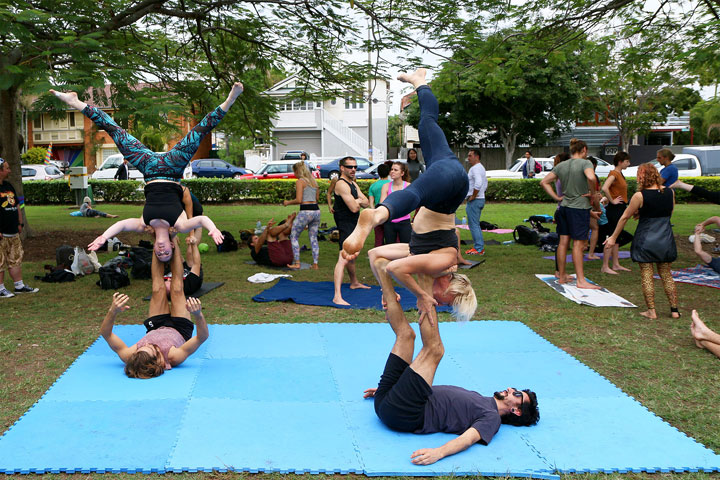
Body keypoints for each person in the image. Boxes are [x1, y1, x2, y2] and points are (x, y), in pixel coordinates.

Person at [363, 254, 538, 465]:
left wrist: (439, 453)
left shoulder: (491, 418)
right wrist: (394, 388)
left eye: (517, 394)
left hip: (404, 413)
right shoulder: (480, 399)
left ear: (516, 411)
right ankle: (385, 282)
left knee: (435, 350)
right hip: (390, 400)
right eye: (515, 388)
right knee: (406, 336)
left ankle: (424, 280)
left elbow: (468, 439)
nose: (511, 389)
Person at [50, 82, 244, 260]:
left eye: (160, 254)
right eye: (167, 252)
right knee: (200, 131)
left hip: (148, 168)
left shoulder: (144, 224)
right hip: (173, 168)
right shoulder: (180, 226)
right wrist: (213, 229)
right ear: (171, 245)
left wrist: (104, 236)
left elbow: (122, 224)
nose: (162, 250)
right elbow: (202, 218)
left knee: (114, 131)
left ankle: (75, 102)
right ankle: (230, 100)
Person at [339, 69, 469, 265]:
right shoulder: (439, 157)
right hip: (450, 185)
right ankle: (419, 83)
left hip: (451, 185)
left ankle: (377, 215)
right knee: (427, 120)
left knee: (417, 192)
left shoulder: (439, 162)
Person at [99, 239, 209, 378]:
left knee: (157, 288)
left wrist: (112, 311)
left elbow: (106, 334)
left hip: (156, 326)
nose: (149, 343)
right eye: (152, 347)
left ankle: (158, 239)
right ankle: (174, 239)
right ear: (157, 359)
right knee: (177, 288)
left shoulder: (130, 355)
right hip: (180, 328)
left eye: (143, 346)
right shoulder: (173, 357)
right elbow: (202, 337)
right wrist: (198, 315)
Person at [605, 163, 679, 319]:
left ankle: (651, 311)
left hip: (646, 239)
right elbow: (668, 213)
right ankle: (674, 311)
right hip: (665, 237)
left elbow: (625, 217)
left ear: (641, 177)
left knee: (647, 274)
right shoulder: (670, 193)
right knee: (666, 273)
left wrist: (612, 237)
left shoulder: (640, 196)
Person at [540, 139, 600, 289]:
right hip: (578, 208)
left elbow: (544, 182)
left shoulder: (561, 165)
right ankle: (581, 281)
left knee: (562, 242)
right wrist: (593, 193)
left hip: (564, 208)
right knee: (578, 245)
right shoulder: (585, 163)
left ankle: (562, 276)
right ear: (584, 150)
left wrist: (556, 197)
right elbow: (592, 177)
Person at [331, 156, 371, 305]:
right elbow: (354, 208)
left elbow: (366, 203)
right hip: (345, 224)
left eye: (355, 167)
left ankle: (354, 282)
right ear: (342, 168)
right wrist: (358, 201)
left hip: (354, 223)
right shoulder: (341, 185)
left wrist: (359, 201)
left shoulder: (352, 183)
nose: (353, 169)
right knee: (343, 257)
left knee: (352, 255)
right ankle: (337, 296)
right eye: (350, 167)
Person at [0, 158, 38, 298]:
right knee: (0, 261)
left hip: (13, 232)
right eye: (6, 168)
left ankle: (19, 286)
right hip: (1, 233)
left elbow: (16, 206)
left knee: (16, 258)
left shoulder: (9, 186)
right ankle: (0, 288)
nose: (9, 170)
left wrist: (20, 223)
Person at [283, 161, 321, 269]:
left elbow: (299, 199)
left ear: (297, 171)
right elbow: (317, 198)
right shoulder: (314, 181)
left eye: (294, 171)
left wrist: (288, 202)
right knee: (313, 237)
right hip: (316, 211)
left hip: (305, 211)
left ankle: (297, 262)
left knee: (293, 236)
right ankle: (315, 263)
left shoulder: (300, 181)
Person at [600, 151, 632, 275]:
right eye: (627, 161)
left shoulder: (620, 174)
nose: (628, 164)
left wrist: (611, 199)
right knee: (612, 236)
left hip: (620, 207)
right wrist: (612, 201)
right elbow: (604, 188)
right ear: (620, 162)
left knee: (616, 237)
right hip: (615, 209)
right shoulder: (614, 173)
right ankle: (605, 266)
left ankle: (615, 264)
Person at [380, 162, 412, 245]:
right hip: (389, 222)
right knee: (389, 247)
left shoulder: (408, 186)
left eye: (395, 170)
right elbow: (382, 204)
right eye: (391, 169)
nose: (392, 172)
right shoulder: (386, 186)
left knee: (406, 248)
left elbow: (410, 205)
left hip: (404, 221)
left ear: (402, 173)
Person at [465, 148, 487, 256]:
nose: (468, 158)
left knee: (473, 225)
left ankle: (479, 248)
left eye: (470, 156)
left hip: (475, 200)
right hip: (480, 198)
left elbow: (478, 183)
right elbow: (485, 184)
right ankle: (478, 247)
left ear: (476, 157)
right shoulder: (481, 168)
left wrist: (473, 196)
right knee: (475, 224)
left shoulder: (475, 169)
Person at [367, 162, 392, 247]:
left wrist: (374, 211)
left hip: (378, 212)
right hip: (389, 213)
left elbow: (371, 202)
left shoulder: (373, 186)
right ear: (389, 172)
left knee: (378, 236)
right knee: (390, 236)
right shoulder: (392, 184)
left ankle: (376, 254)